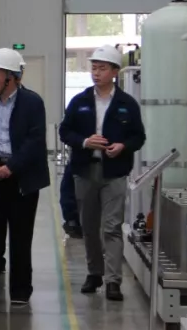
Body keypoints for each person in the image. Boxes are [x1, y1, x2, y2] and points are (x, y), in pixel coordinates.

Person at [59, 45, 145, 301]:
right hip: (85, 171)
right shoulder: (80, 101)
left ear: (115, 72)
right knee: (89, 226)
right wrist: (85, 142)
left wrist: (123, 146)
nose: (96, 73)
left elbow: (138, 136)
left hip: (114, 173)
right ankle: (94, 273)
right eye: (94, 68)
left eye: (102, 68)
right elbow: (65, 131)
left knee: (112, 227)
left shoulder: (127, 104)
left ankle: (113, 281)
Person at [0, 48, 49, 305]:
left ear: (11, 77)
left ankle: (20, 291)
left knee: (20, 238)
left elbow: (34, 141)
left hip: (22, 179)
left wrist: (11, 167)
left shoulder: (32, 103)